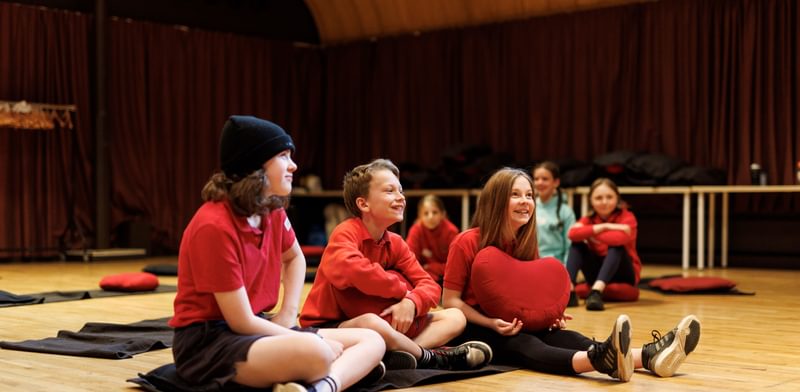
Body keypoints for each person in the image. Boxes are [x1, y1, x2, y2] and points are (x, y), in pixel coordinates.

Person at [170, 116, 386, 392]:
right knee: (316, 353)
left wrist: (288, 313)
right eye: (283, 156)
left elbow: (294, 258)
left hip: (255, 326)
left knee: (372, 339)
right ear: (255, 166)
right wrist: (313, 342)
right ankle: (339, 372)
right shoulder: (213, 225)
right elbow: (240, 321)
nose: (294, 165)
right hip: (208, 343)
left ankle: (320, 388)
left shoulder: (272, 210)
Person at [442, 167, 701, 381]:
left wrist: (548, 314)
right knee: (526, 344)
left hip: (515, 319)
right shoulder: (466, 242)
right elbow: (450, 301)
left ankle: (647, 356)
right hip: (477, 328)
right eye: (515, 195)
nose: (525, 202)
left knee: (567, 336)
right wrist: (491, 323)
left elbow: (527, 291)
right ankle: (598, 360)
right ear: (496, 200)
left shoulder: (525, 242)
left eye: (529, 195)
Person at [299, 158, 492, 372]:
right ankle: (430, 357)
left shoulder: (396, 242)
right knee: (372, 323)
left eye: (401, 191)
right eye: (390, 191)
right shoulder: (346, 231)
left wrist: (411, 302)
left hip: (387, 324)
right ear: (363, 204)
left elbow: (430, 285)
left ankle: (394, 354)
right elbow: (354, 271)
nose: (401, 197)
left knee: (456, 317)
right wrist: (403, 290)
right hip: (333, 327)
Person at [567, 177, 641, 311]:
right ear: (591, 200)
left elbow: (618, 239)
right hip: (597, 272)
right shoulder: (589, 218)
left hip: (623, 274)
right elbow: (572, 234)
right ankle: (570, 290)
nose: (604, 202)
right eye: (599, 198)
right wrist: (606, 226)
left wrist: (588, 232)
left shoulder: (627, 217)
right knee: (577, 245)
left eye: (609, 197)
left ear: (617, 198)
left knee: (616, 247)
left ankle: (596, 292)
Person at [406, 194, 460, 283]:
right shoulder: (415, 230)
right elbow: (410, 260)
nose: (430, 217)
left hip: (446, 277)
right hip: (422, 275)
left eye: (435, 212)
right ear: (420, 216)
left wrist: (431, 267)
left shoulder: (451, 231)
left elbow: (455, 265)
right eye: (426, 213)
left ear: (443, 214)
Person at [532, 161, 577, 266]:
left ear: (556, 182)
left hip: (556, 266)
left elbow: (570, 246)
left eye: (545, 179)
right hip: (531, 264)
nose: (539, 182)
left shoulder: (565, 211)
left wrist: (566, 272)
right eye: (536, 179)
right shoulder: (529, 207)